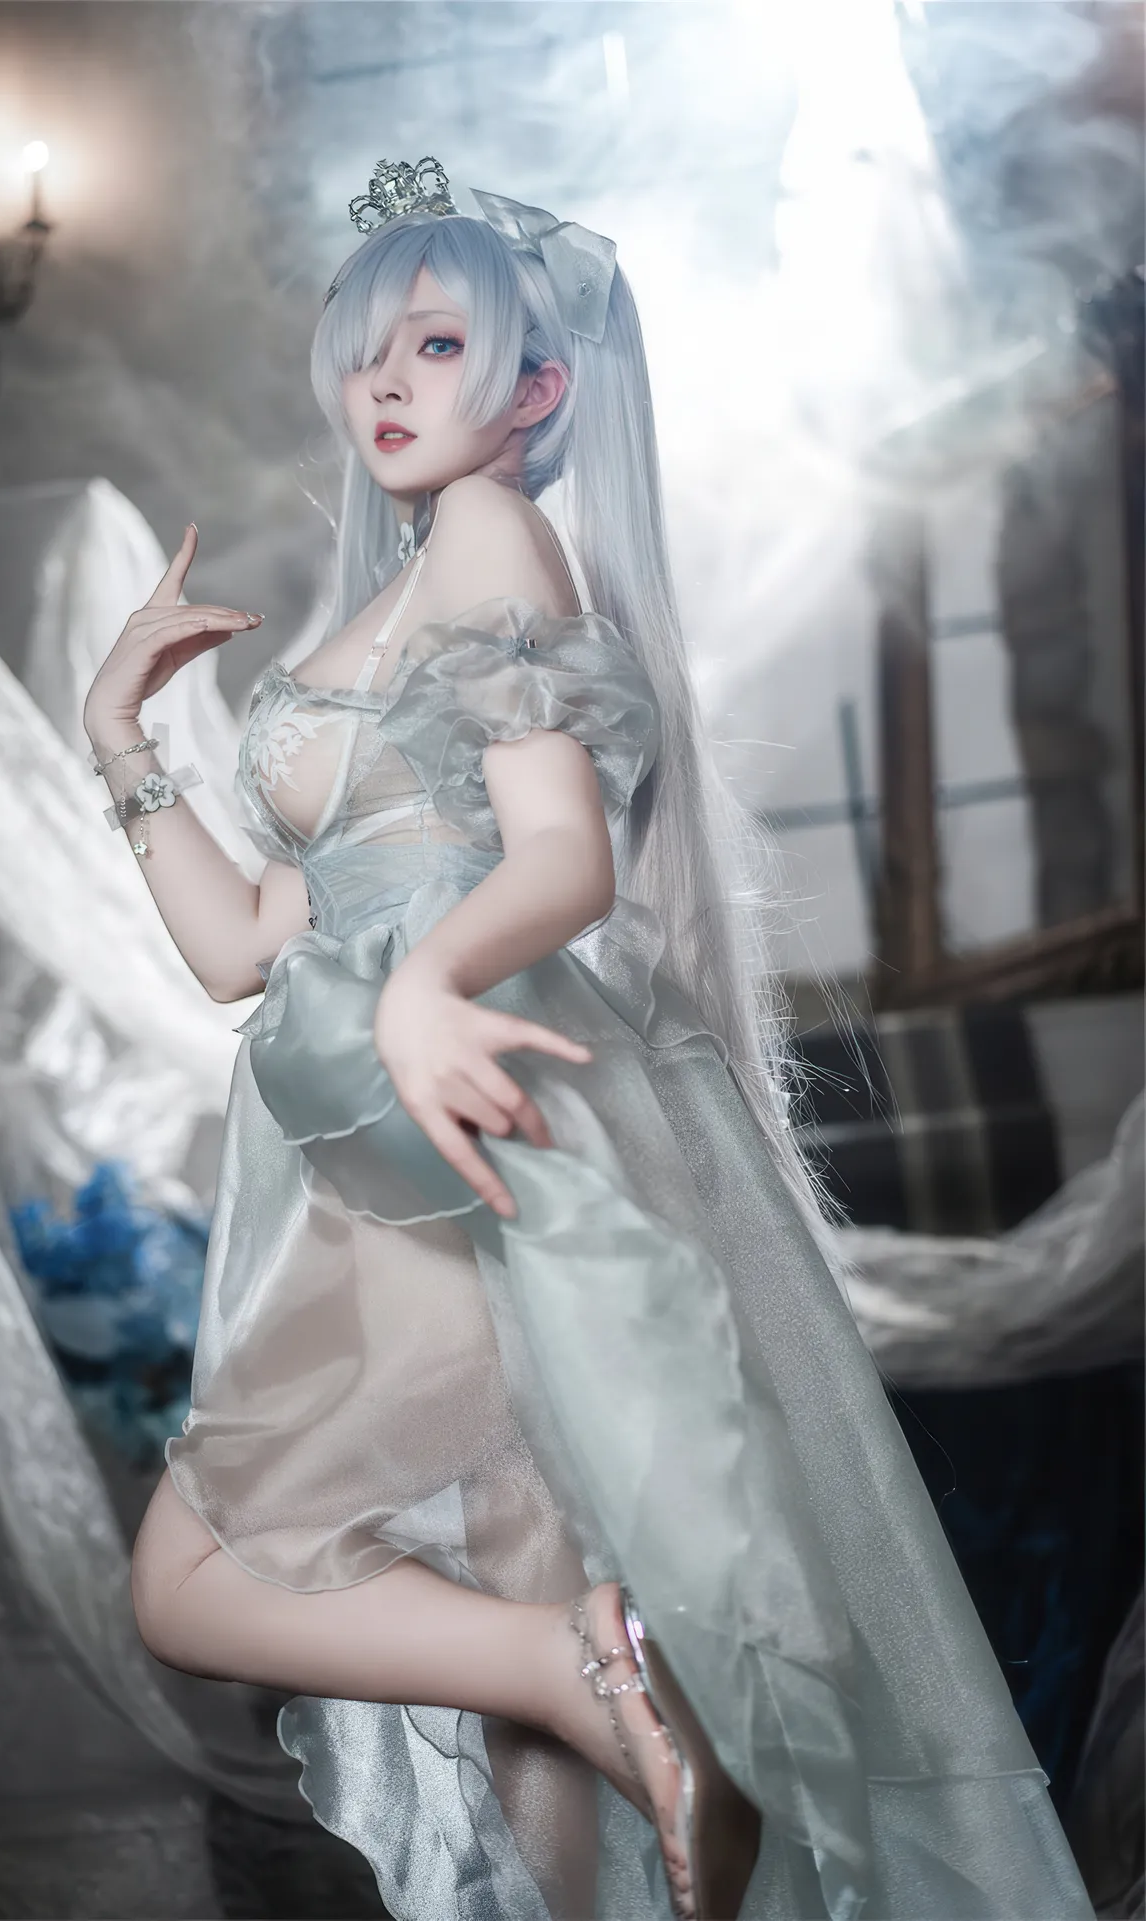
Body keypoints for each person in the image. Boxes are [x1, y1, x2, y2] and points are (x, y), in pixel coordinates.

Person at [83, 159, 1095, 1921]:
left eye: (437, 344)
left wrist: (425, 986)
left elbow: (564, 858)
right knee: (522, 1625)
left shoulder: (493, 535)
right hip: (377, 1142)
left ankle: (580, 1667)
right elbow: (242, 945)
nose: (383, 381)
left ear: (539, 387)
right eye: (364, 349)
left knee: (198, 1573)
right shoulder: (409, 585)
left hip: (454, 1130)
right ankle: (584, 1681)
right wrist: (121, 734)